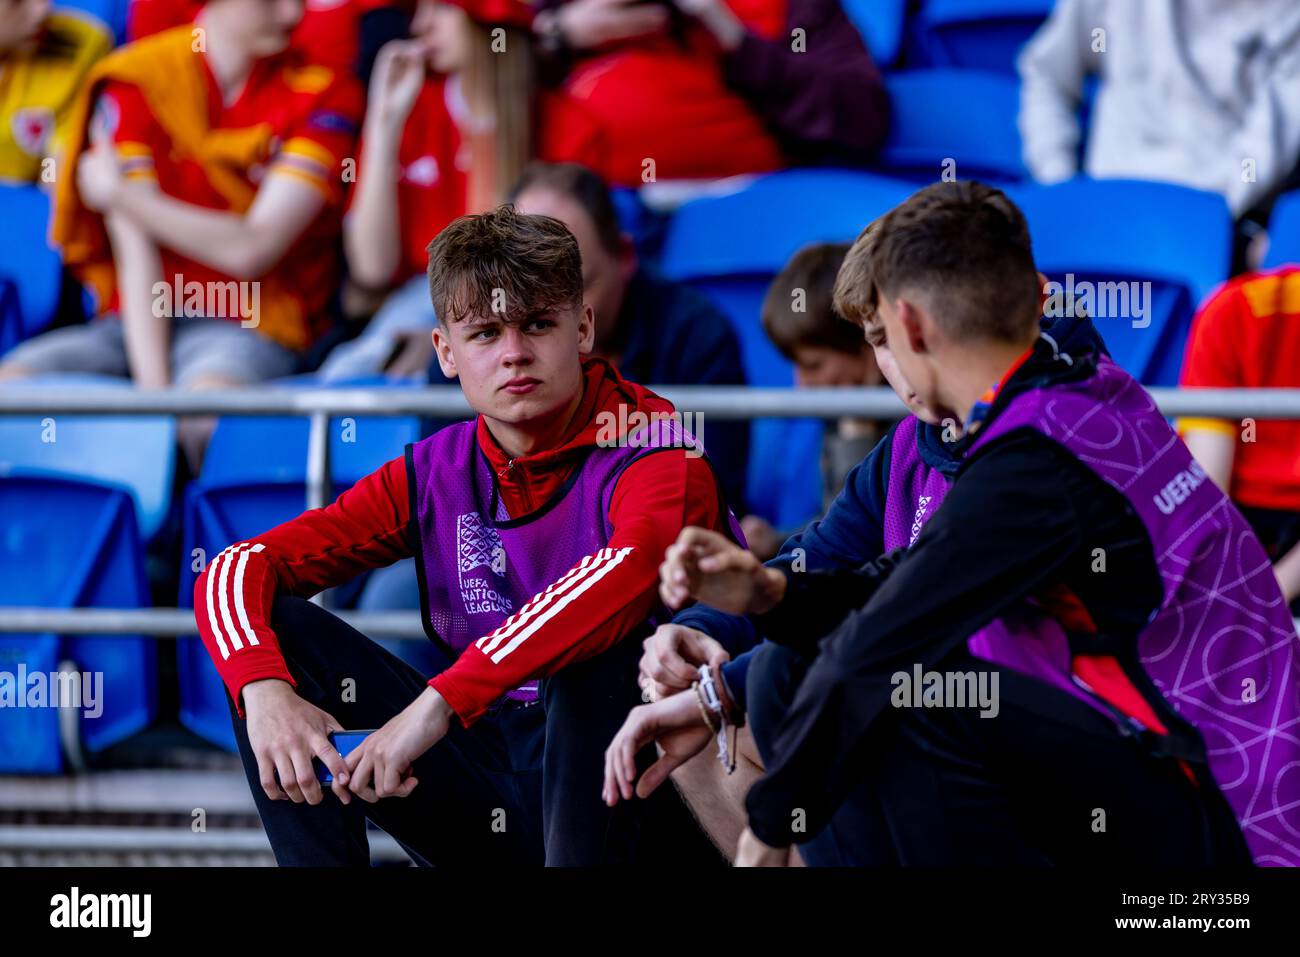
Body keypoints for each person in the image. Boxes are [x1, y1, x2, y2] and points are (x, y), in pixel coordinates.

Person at [616, 181, 1300, 867]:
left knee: (907, 689)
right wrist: (767, 596)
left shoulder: (1040, 456)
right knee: (801, 669)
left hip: (1224, 829)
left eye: (880, 335)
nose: (883, 364)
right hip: (1160, 764)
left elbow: (890, 635)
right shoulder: (1059, 397)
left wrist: (768, 829)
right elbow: (892, 586)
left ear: (910, 327)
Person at [193, 206, 741, 866]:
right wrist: (264, 693)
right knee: (272, 634)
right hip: (492, 778)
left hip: (647, 800)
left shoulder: (655, 443)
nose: (514, 352)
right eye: (485, 333)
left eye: (538, 324)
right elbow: (233, 569)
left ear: (583, 328)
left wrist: (435, 705)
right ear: (446, 353)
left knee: (597, 650)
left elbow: (624, 572)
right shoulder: (437, 469)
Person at [607, 286, 1109, 862]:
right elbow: (817, 559)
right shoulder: (909, 446)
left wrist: (726, 693)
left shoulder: (1056, 436)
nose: (902, 364)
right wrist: (704, 630)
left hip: (1090, 757)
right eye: (880, 343)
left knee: (793, 688)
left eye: (911, 337)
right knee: (695, 692)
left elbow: (905, 610)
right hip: (936, 710)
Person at [0, 0, 363, 470]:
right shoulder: (138, 76)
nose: (293, 14)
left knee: (205, 416)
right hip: (133, 322)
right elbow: (136, 250)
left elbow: (253, 248)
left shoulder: (326, 92)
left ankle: (195, 542)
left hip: (250, 321)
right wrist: (155, 404)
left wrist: (124, 197)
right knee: (10, 391)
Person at [320, 0, 604, 381]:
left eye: (442, 8)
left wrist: (464, 336)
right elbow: (372, 267)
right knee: (340, 378)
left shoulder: (565, 125)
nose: (421, 25)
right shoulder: (416, 106)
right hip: (419, 307)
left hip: (517, 322)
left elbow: (561, 280)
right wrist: (383, 122)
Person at [1018, 0, 1300, 233]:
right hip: (1098, 210)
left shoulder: (1289, 18)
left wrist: (1209, 221)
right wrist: (1058, 186)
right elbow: (1048, 75)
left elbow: (1259, 160)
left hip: (1213, 228)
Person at [740, 241, 887, 560]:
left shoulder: (917, 421)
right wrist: (776, 540)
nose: (800, 384)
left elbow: (863, 541)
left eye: (814, 365)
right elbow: (833, 521)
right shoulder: (840, 412)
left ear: (866, 346)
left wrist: (859, 432)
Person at [1179, 264, 1300, 612]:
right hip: (1246, 535)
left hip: (1248, 544)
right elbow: (1210, 495)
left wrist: (1264, 596)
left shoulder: (1232, 307)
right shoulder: (1233, 310)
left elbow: (1209, 493)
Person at [0, 0, 110, 185]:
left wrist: (48, 182)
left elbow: (53, 157)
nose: (42, 11)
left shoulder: (81, 45)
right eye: (17, 2)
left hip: (23, 201)